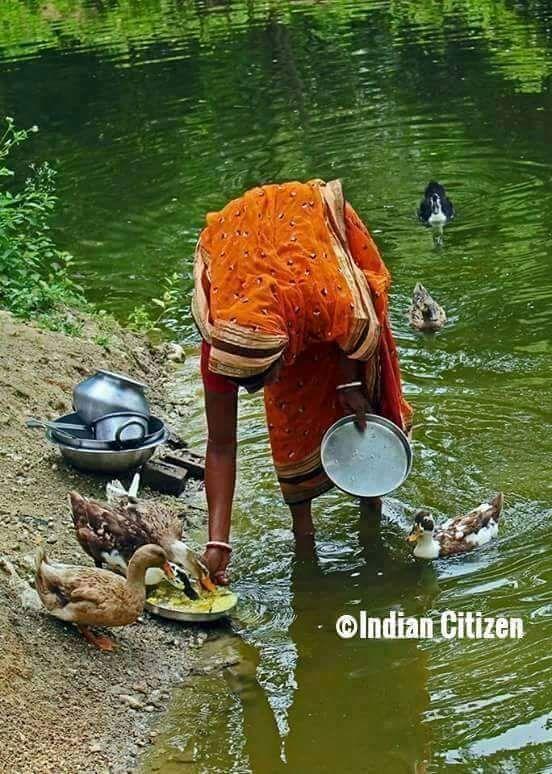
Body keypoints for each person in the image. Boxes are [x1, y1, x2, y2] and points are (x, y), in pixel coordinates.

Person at [192, 179, 411, 585]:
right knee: (288, 416)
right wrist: (217, 544)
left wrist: (349, 384)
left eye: (263, 377)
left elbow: (358, 327)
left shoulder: (329, 300)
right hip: (248, 263)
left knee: (363, 402)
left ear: (282, 347)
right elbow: (221, 444)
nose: (257, 391)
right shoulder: (222, 349)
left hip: (313, 243)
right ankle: (303, 536)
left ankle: (371, 502)